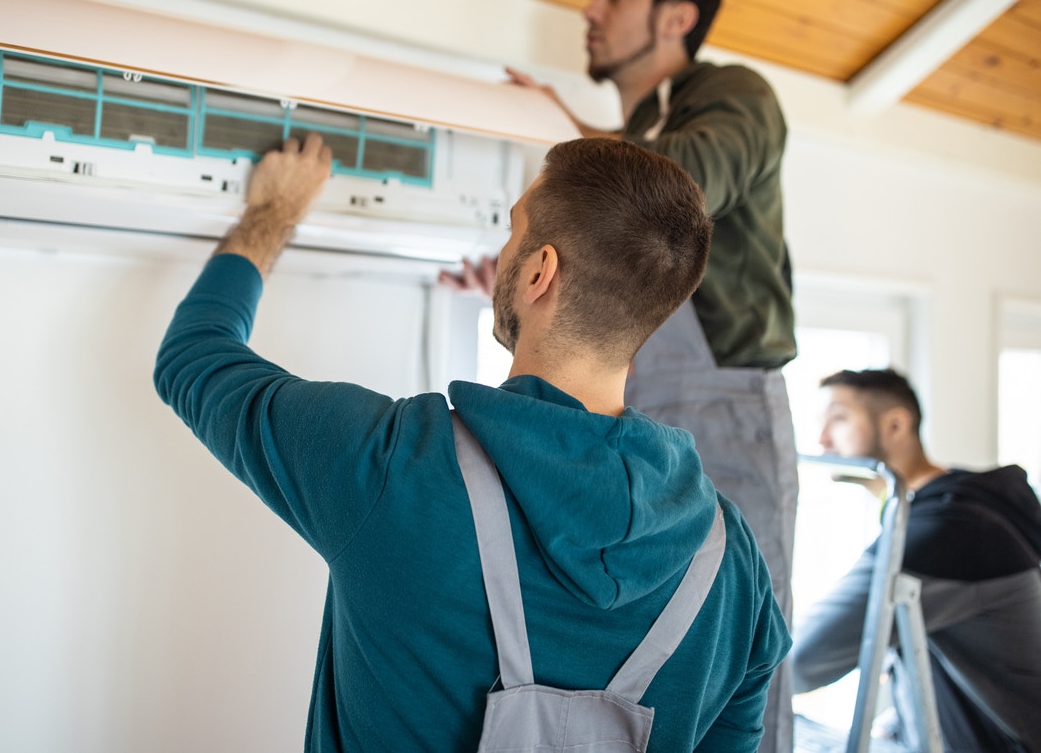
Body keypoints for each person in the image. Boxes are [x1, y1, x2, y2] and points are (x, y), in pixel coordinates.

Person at [154, 133, 791, 751]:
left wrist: (272, 213)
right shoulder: (732, 562)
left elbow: (194, 357)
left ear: (540, 271)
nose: (503, 251)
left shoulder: (394, 464)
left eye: (513, 231)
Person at [442, 0, 798, 750]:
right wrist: (526, 278)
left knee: (739, 638)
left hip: (724, 396)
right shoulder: (639, 126)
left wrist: (572, 145)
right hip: (636, 400)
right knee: (641, 639)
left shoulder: (732, 94)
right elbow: (624, 232)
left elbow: (672, 197)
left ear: (676, 17)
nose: (589, 9)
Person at [793, 368, 1041, 751]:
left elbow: (798, 661)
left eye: (838, 419)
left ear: (895, 425)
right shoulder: (965, 506)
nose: (822, 439)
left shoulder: (950, 530)